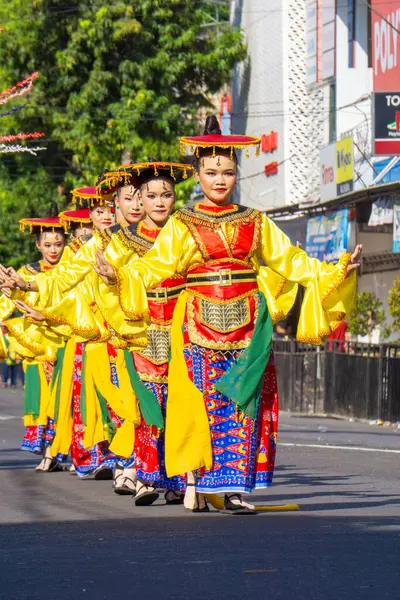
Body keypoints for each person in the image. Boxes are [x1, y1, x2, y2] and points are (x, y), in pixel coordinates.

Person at [106, 115, 360, 514]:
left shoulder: (256, 220)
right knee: (198, 404)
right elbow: (153, 266)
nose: (219, 179)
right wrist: (119, 274)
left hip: (247, 327)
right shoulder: (183, 223)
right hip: (196, 324)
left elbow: (290, 260)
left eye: (226, 171)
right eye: (210, 172)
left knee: (243, 405)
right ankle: (193, 481)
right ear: (198, 174)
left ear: (237, 173)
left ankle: (236, 489)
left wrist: (335, 269)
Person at [95, 161, 192, 503]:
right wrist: (112, 279)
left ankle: (180, 480)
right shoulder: (122, 240)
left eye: (166, 194)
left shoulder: (186, 231)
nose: (159, 202)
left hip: (184, 327)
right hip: (145, 328)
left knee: (181, 404)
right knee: (150, 403)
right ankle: (149, 476)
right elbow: (103, 286)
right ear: (141, 198)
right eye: (151, 195)